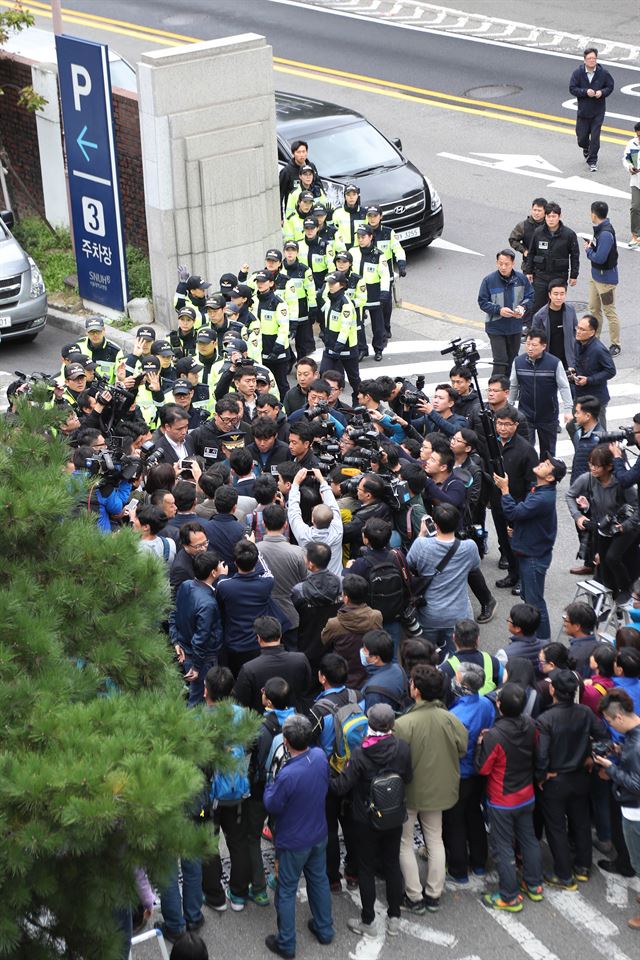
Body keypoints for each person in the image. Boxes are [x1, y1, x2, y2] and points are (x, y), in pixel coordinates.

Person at [330, 703, 413, 939]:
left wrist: (327, 777)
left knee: (365, 868)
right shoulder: (402, 748)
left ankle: (368, 920)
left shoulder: (360, 753)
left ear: (369, 724)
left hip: (365, 819)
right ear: (392, 725)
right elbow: (407, 777)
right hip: (394, 815)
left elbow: (341, 787)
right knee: (392, 864)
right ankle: (394, 917)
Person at [395, 664, 468, 914]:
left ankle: (413, 896)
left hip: (409, 792)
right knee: (435, 838)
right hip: (440, 789)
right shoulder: (450, 718)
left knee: (404, 843)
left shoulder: (404, 723)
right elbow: (462, 748)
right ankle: (434, 894)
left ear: (416, 690)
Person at [263, 714, 334, 958]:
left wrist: (269, 783)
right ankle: (325, 929)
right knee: (319, 880)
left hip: (293, 841)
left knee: (285, 889)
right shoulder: (319, 757)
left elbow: (271, 804)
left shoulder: (287, 775)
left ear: (286, 740)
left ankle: (286, 942)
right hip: (318, 833)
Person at [535, 668, 607, 888]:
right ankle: (583, 867)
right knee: (581, 822)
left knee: (556, 828)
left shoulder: (545, 719)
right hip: (580, 778)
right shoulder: (585, 712)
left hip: (555, 781)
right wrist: (593, 758)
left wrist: (542, 775)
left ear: (552, 689)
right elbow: (603, 736)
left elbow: (542, 755)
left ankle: (564, 875)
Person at [476, 682, 543, 911]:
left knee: (503, 846)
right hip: (527, 794)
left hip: (502, 799)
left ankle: (509, 896)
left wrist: (479, 745)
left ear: (499, 705)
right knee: (529, 839)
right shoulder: (531, 724)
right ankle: (534, 885)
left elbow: (483, 768)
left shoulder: (495, 735)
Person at [494, 456, 567, 642]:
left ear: (550, 478)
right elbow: (527, 516)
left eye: (547, 465)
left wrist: (504, 490)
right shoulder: (539, 489)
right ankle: (533, 635)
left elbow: (514, 512)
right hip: (529, 550)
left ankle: (543, 642)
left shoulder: (544, 497)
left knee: (535, 603)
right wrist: (518, 529)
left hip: (534, 556)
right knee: (528, 596)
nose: (542, 463)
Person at [566, 444, 638, 602]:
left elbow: (637, 507)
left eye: (596, 466)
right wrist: (578, 516)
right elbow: (570, 495)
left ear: (609, 466)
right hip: (603, 529)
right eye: (590, 464)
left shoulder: (622, 484)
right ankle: (612, 604)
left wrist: (624, 526)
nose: (592, 468)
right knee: (603, 568)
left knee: (613, 558)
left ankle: (626, 589)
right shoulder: (588, 479)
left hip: (625, 529)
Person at [443, 661, 495, 883]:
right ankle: (479, 863)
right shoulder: (486, 705)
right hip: (479, 772)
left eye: (456, 678)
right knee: (474, 816)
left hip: (459, 775)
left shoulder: (455, 716)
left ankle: (458, 869)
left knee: (454, 821)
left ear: (463, 685)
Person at [406, 504, 481, 656]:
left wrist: (421, 533)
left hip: (428, 613)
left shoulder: (422, 544)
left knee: (426, 657)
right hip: (457, 614)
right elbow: (474, 567)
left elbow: (409, 563)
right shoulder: (469, 547)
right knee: (455, 659)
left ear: (435, 525)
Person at [594, 688, 640, 929]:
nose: (611, 725)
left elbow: (636, 783)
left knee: (638, 860)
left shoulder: (635, 746)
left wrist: (611, 768)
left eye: (610, 721)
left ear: (619, 717)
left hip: (635, 810)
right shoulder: (634, 738)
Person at [215, 540, 278, 676]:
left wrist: (221, 575)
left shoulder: (224, 585)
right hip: (258, 643)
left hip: (234, 645)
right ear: (255, 562)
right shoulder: (267, 582)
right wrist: (253, 546)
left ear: (235, 563)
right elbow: (266, 569)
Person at [509, 330, 573, 459]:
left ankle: (548, 479)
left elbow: (564, 387)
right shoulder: (518, 362)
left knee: (548, 454)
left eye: (534, 345)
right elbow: (514, 386)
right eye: (528, 344)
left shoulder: (554, 363)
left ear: (543, 346)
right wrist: (509, 407)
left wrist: (568, 409)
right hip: (525, 415)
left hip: (548, 416)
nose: (530, 348)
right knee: (525, 452)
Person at [172, 551, 225, 706]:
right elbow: (201, 638)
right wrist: (196, 667)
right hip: (202, 659)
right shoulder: (208, 603)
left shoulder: (185, 585)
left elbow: (174, 612)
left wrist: (176, 640)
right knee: (198, 699)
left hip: (186, 649)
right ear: (213, 572)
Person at [233, 615, 313, 713]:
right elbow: (307, 689)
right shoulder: (300, 659)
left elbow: (239, 703)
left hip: (262, 724)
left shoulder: (249, 669)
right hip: (296, 720)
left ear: (258, 638)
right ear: (280, 635)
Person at [257, 504, 307, 648]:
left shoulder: (255, 551)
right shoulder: (298, 552)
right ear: (285, 524)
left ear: (263, 524)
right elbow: (305, 583)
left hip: (264, 616)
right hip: (292, 615)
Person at [477, 249, 534, 376]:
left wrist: (522, 307)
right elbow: (482, 301)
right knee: (500, 361)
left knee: (513, 359)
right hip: (495, 328)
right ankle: (495, 389)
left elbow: (530, 297)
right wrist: (499, 310)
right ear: (497, 263)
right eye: (500, 263)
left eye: (506, 264)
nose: (503, 267)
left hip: (515, 327)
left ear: (513, 264)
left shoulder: (521, 279)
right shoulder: (489, 280)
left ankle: (508, 389)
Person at [321, 574, 383, 688]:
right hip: (369, 676)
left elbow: (324, 641)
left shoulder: (334, 624)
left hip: (343, 676)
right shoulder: (376, 616)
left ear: (346, 598)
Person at [523, 201, 580, 316]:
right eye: (549, 216)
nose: (551, 219)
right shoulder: (538, 232)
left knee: (556, 307)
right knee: (537, 306)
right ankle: (536, 331)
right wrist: (529, 271)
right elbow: (531, 252)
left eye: (554, 216)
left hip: (559, 276)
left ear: (559, 216)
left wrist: (574, 275)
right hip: (540, 275)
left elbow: (575, 256)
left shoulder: (569, 234)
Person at [287, 467, 343, 578]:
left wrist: (295, 484)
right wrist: (322, 481)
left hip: (312, 583)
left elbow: (293, 512)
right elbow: (333, 505)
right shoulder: (338, 530)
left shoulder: (304, 535)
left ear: (312, 520)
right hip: (336, 583)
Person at [569, 47, 615, 172]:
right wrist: (585, 92)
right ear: (584, 60)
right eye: (589, 58)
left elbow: (610, 86)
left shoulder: (603, 73)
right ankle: (586, 148)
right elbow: (572, 88)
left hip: (598, 111)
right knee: (581, 138)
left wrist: (602, 92)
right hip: (583, 111)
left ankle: (592, 161)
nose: (592, 60)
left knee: (595, 137)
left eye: (594, 58)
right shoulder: (578, 73)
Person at [440, 619, 502, 699]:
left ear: (454, 638)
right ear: (477, 639)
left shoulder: (446, 668)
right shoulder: (493, 661)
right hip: (488, 708)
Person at [573, 313, 616, 427]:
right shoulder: (578, 343)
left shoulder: (599, 349)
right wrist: (574, 371)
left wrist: (589, 380)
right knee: (577, 429)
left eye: (582, 329)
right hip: (580, 395)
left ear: (592, 333)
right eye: (578, 327)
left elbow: (611, 371)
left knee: (599, 435)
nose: (578, 331)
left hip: (596, 399)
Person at [531, 280, 578, 371]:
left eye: (562, 294)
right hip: (548, 361)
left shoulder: (570, 310)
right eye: (555, 294)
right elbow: (534, 341)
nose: (559, 297)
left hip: (568, 361)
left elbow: (575, 333)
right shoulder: (539, 316)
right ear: (549, 295)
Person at [359, 629, 408, 713]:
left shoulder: (373, 691)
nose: (361, 651)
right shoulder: (398, 669)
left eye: (365, 650)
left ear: (375, 658)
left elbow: (371, 720)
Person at [562, 602, 599, 678]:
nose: (564, 624)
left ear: (577, 626)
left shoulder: (573, 655)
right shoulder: (601, 646)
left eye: (566, 620)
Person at [502, 603, 543, 670]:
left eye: (509, 620)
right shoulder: (546, 646)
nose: (508, 621)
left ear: (518, 628)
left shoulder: (505, 654)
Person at [508, 197, 548, 266]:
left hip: (546, 266)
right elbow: (512, 239)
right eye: (534, 210)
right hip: (529, 264)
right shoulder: (523, 225)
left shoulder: (550, 225)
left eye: (539, 211)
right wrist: (524, 250)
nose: (536, 213)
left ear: (545, 212)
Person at [623, 120, 640, 248]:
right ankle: (635, 236)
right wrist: (629, 167)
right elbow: (626, 158)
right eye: (638, 135)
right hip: (636, 181)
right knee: (635, 208)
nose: (639, 138)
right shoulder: (632, 144)